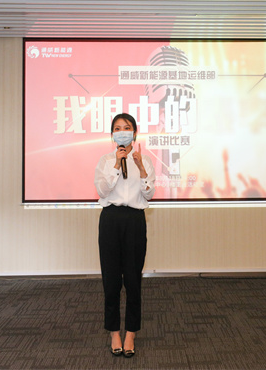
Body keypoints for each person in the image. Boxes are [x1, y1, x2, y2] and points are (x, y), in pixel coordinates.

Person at [93, 113, 156, 358]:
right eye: (117, 128)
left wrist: (140, 168)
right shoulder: (106, 160)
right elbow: (102, 190)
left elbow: (149, 194)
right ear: (112, 135)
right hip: (110, 219)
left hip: (134, 221)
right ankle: (114, 332)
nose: (122, 132)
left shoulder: (145, 160)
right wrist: (117, 165)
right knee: (111, 281)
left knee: (132, 280)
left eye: (126, 127)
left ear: (134, 133)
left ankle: (131, 332)